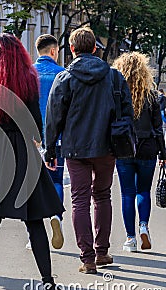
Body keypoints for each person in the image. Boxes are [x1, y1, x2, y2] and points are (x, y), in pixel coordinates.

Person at [0, 33, 66, 290]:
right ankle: (48, 285)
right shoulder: (27, 79)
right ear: (19, 53)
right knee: (34, 221)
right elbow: (33, 121)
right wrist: (41, 145)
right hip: (20, 150)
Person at [45, 27, 134, 274]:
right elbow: (128, 112)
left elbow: (53, 117)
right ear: (95, 48)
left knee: (79, 199)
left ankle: (87, 259)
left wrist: (50, 148)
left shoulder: (65, 78)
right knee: (103, 196)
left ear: (72, 49)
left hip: (75, 149)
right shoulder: (115, 77)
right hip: (108, 147)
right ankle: (102, 251)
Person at [112, 52, 166, 252]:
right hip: (148, 147)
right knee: (143, 190)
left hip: (124, 148)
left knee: (127, 193)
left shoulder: (116, 93)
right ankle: (144, 225)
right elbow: (158, 127)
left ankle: (130, 239)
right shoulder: (151, 94)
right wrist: (163, 153)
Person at [28, 34, 65, 250]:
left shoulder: (28, 73)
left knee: (32, 184)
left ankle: (34, 232)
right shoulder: (62, 74)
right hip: (56, 138)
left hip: (31, 137)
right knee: (56, 180)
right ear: (53, 51)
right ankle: (56, 216)